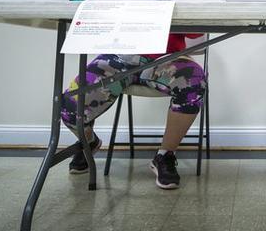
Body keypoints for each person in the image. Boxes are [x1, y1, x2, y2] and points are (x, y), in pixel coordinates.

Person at [62, 33, 206, 190]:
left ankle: (165, 155)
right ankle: (88, 143)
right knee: (68, 107)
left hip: (167, 57)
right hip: (118, 56)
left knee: (194, 83)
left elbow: (197, 32)